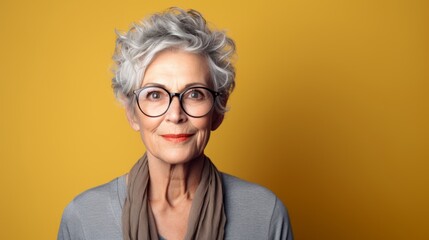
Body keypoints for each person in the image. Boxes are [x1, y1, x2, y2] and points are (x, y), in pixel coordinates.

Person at [58, 7, 293, 240]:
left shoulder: (265, 215)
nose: (175, 114)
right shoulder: (84, 218)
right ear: (132, 113)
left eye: (194, 94)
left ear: (217, 111)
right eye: (155, 95)